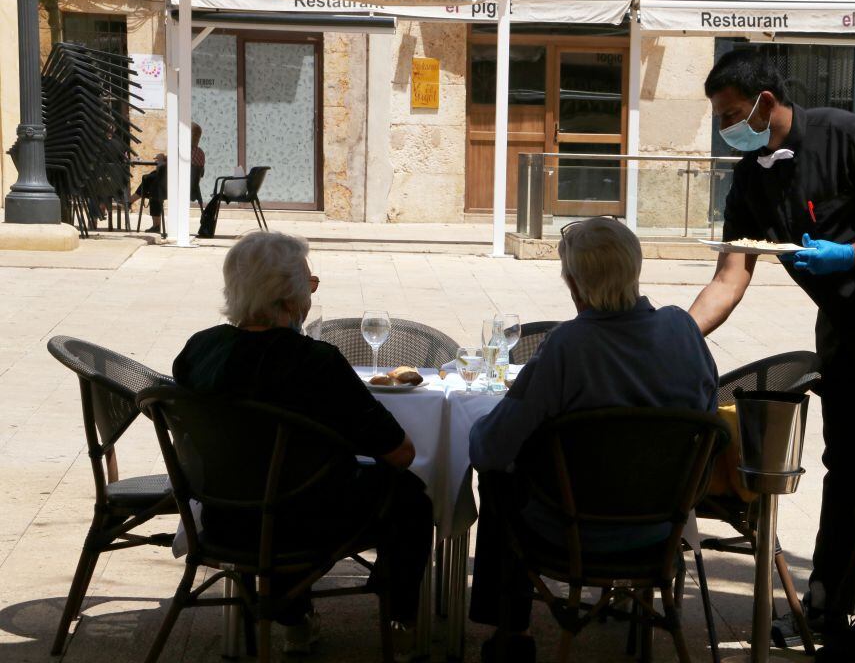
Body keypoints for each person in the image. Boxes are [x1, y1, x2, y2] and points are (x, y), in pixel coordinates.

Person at [689, 50, 855, 663]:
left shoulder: (850, 135)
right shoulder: (752, 176)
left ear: (764, 101)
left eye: (733, 114)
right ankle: (827, 610)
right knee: (844, 472)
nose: (729, 127)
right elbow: (731, 272)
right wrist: (676, 333)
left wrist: (850, 254)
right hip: (841, 335)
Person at [468, 217, 720, 663]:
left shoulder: (568, 344)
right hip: (661, 528)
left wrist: (477, 427)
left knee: (498, 478)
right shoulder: (682, 330)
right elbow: (704, 418)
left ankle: (513, 634)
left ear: (573, 283)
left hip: (574, 530)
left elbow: (492, 448)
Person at [172, 231, 432, 655]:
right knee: (410, 495)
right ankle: (400, 618)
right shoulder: (316, 362)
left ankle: (294, 618)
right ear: (290, 299)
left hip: (223, 516)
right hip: (309, 522)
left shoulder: (200, 349)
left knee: (281, 484)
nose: (311, 295)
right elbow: (400, 453)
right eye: (309, 285)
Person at [139, 123, 205, 234]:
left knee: (153, 183)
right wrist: (166, 158)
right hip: (191, 189)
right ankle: (131, 200)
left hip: (176, 189)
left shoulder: (183, 151)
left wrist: (161, 160)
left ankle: (155, 225)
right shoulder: (200, 152)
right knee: (152, 178)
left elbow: (167, 168)